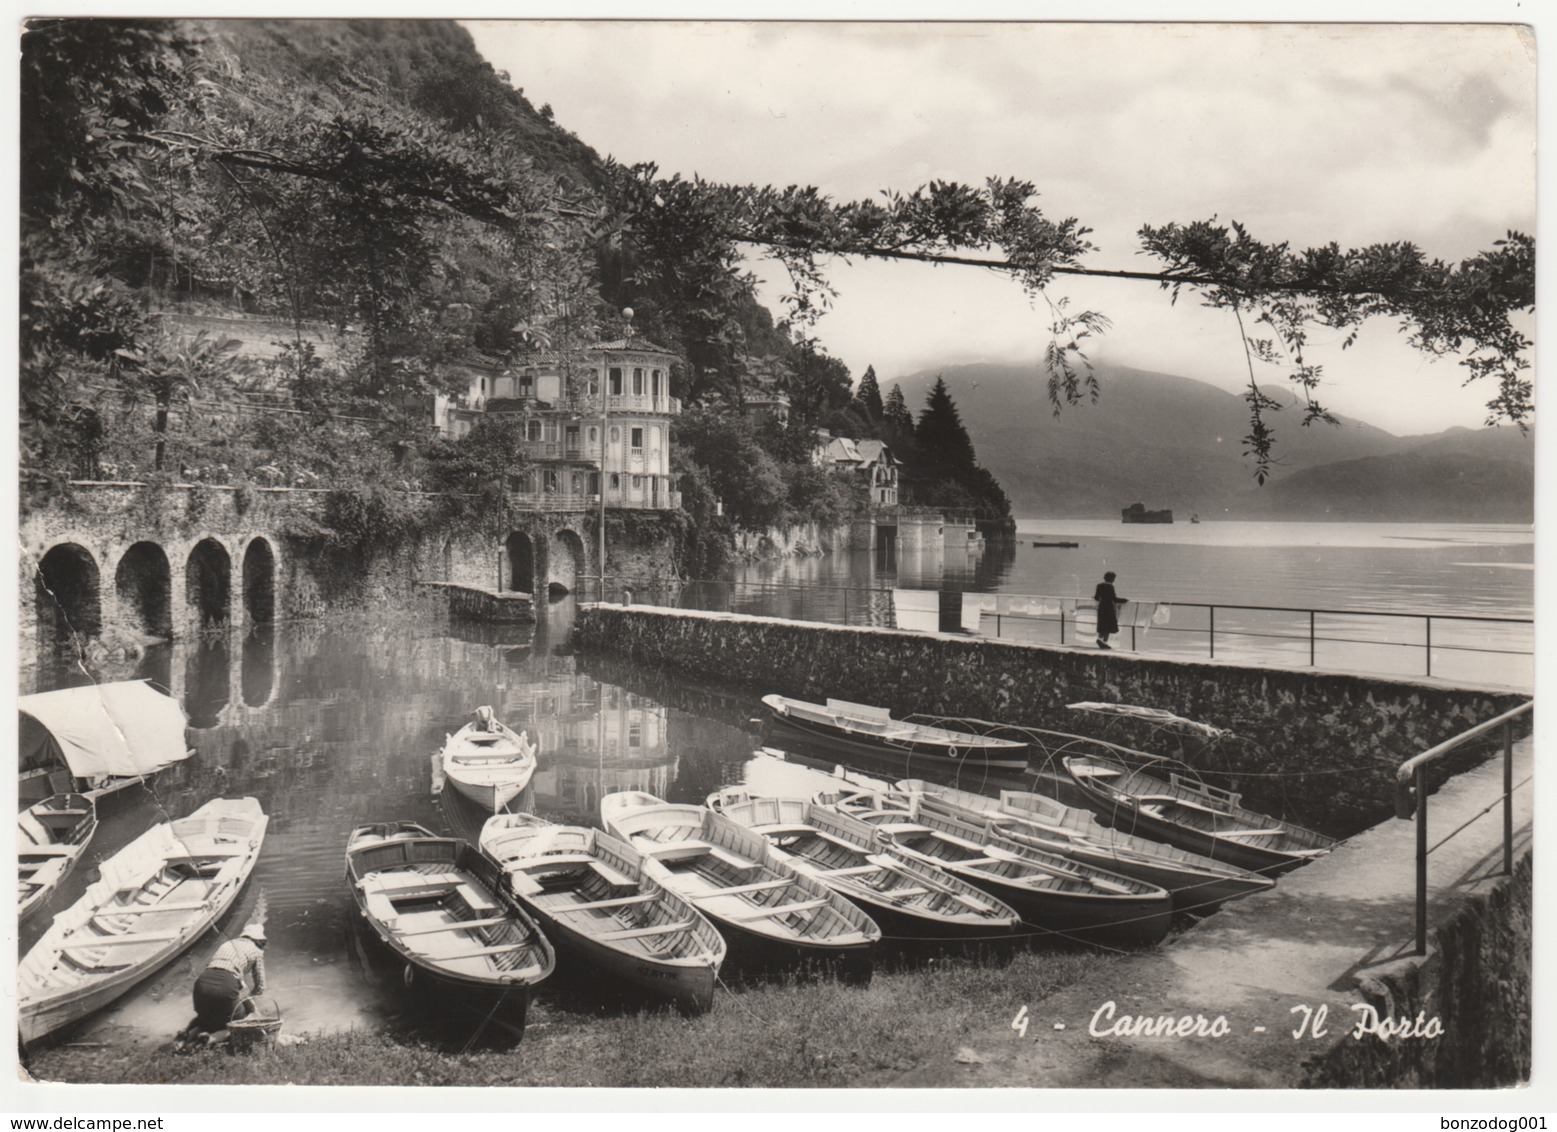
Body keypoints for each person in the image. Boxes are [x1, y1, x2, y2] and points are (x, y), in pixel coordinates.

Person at [192, 925, 268, 1033]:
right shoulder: (256, 951)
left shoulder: (227, 943)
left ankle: (185, 1038)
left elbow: (218, 967)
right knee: (239, 1022)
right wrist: (251, 1002)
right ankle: (211, 1039)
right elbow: (260, 985)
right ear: (260, 941)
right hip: (226, 983)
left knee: (207, 1019)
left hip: (202, 981)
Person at [1093, 570, 1126, 650]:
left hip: (1101, 608)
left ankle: (1100, 639)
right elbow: (1114, 598)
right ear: (1112, 579)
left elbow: (1096, 598)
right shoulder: (1110, 586)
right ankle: (1104, 642)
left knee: (1102, 624)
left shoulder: (1099, 585)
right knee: (1108, 626)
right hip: (1109, 608)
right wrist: (1124, 600)